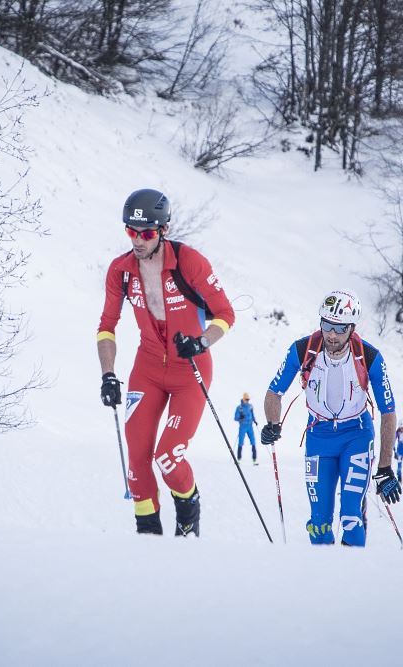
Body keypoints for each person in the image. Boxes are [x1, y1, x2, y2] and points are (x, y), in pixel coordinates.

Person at [97, 188, 235, 537]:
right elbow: (106, 327)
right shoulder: (121, 271)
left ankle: (188, 511)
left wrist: (201, 342)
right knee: (137, 457)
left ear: (164, 230)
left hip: (189, 370)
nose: (137, 240)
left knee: (168, 456)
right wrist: (108, 375)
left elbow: (226, 314)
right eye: (130, 231)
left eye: (145, 233)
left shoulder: (189, 262)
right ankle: (148, 534)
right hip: (147, 370)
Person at [260, 289, 401, 547]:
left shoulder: (369, 357)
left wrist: (384, 467)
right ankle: (324, 578)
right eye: (327, 326)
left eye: (340, 328)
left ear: (352, 328)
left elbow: (388, 412)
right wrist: (272, 423)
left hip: (356, 436)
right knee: (318, 523)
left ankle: (353, 576)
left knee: (350, 517)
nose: (332, 334)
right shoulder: (303, 349)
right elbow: (274, 391)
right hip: (318, 437)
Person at [234, 393, 258, 464]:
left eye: (248, 399)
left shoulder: (250, 407)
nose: (247, 401)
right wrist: (240, 418)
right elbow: (235, 418)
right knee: (241, 442)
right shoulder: (239, 408)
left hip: (250, 426)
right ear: (243, 399)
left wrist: (255, 420)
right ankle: (238, 459)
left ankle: (254, 459)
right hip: (243, 426)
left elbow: (252, 415)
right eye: (246, 399)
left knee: (253, 441)